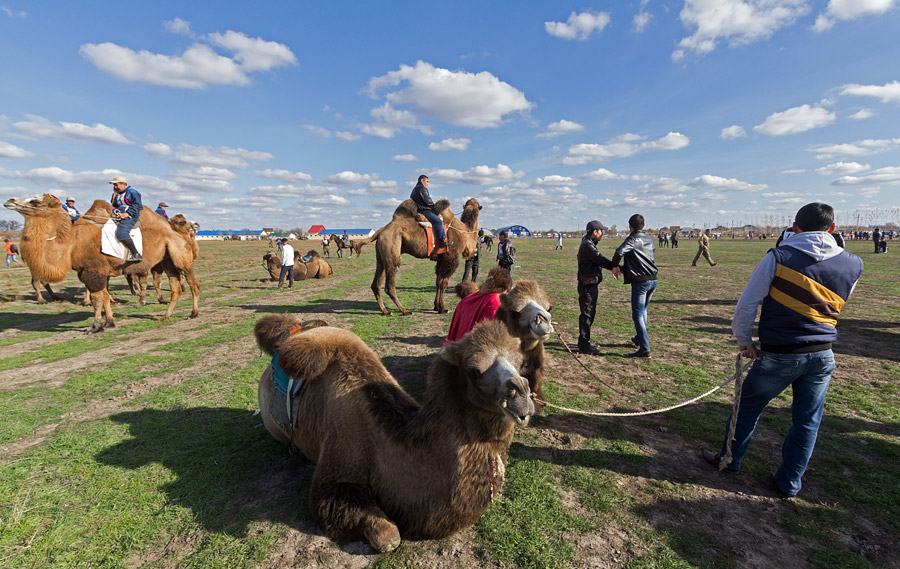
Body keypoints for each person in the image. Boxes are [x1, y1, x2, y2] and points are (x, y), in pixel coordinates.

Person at [703, 203, 863, 499]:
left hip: (779, 353)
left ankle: (730, 459)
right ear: (832, 228)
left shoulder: (779, 256)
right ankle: (790, 482)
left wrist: (744, 339)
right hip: (822, 355)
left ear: (795, 226)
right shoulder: (854, 263)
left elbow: (748, 304)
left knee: (748, 408)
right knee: (807, 421)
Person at [611, 214, 658, 358]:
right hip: (653, 279)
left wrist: (614, 266)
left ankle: (645, 349)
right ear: (643, 225)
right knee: (643, 311)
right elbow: (642, 261)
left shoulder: (633, 239)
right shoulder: (648, 239)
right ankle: (639, 338)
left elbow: (619, 252)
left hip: (641, 282)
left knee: (637, 313)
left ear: (629, 226)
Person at [576, 221, 615, 355]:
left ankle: (584, 340)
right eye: (601, 231)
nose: (602, 233)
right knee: (587, 313)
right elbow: (601, 260)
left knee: (589, 313)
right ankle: (584, 343)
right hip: (587, 285)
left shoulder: (588, 243)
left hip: (590, 284)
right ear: (595, 232)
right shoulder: (588, 246)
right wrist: (616, 267)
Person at [444, 267, 512, 344]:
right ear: (503, 288)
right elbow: (489, 333)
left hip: (459, 346)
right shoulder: (495, 301)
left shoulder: (469, 299)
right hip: (475, 348)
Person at [410, 174, 450, 251]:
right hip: (426, 212)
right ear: (422, 180)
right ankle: (442, 241)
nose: (427, 184)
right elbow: (428, 201)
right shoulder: (422, 188)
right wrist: (435, 207)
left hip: (419, 211)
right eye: (427, 181)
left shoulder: (414, 189)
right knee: (438, 222)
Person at [109, 175, 143, 261]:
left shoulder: (133, 192)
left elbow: (137, 205)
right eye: (114, 185)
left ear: (123, 184)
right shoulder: (116, 195)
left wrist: (127, 214)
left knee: (122, 233)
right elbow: (115, 206)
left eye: (116, 185)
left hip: (130, 217)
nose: (115, 187)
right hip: (118, 215)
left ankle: (136, 254)